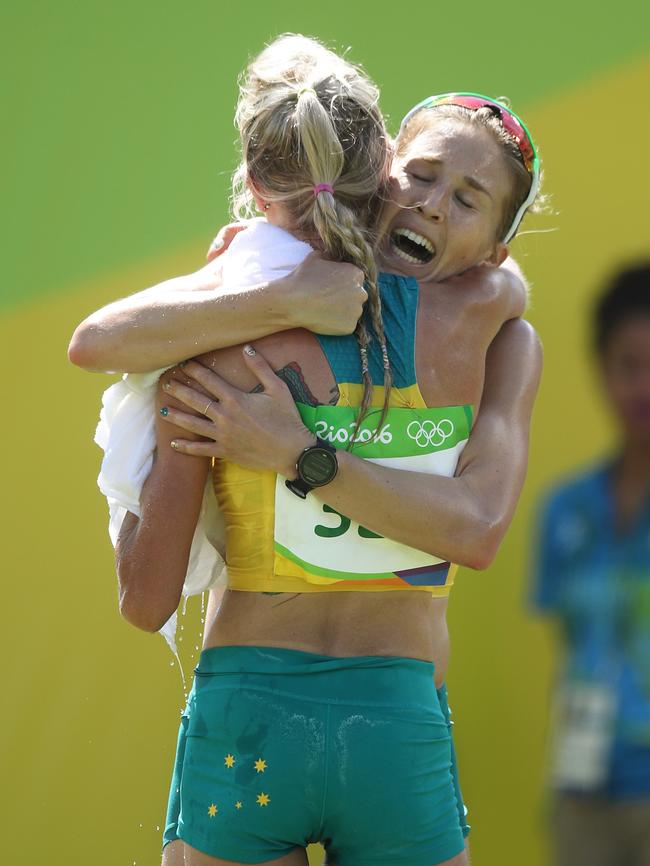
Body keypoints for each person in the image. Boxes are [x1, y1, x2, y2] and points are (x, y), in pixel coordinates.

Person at [70, 36, 543, 866]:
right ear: (380, 167)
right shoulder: (501, 331)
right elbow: (472, 531)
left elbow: (145, 602)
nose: (431, 205)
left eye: (466, 198)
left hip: (247, 721)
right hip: (395, 725)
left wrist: (286, 448)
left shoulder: (230, 321)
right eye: (424, 176)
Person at [532, 263, 650, 866]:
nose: (644, 387)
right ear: (602, 370)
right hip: (582, 786)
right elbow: (572, 645)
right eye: (628, 365)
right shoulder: (565, 509)